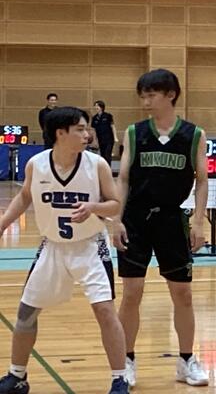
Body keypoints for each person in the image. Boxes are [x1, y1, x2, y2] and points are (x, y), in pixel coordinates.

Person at [0, 107, 129, 394]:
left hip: (90, 246)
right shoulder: (36, 164)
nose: (87, 135)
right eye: (80, 129)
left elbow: (115, 205)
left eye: (86, 129)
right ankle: (17, 375)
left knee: (105, 311)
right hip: (53, 246)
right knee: (26, 313)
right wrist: (3, 222)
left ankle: (120, 379)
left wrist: (93, 207)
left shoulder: (97, 165)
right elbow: (25, 196)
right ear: (61, 133)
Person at [111, 69, 209, 388]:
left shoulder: (194, 135)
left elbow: (202, 180)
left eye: (151, 95)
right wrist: (116, 219)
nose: (145, 102)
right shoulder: (134, 132)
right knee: (132, 293)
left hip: (172, 220)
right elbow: (123, 179)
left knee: (183, 294)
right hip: (135, 220)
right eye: (143, 96)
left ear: (171, 95)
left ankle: (186, 361)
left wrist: (198, 221)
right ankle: (126, 361)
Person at [91, 100, 119, 165]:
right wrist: (94, 140)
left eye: (97, 106)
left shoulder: (108, 116)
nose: (96, 107)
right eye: (95, 106)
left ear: (101, 107)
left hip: (109, 139)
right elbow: (94, 130)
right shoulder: (94, 118)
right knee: (103, 156)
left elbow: (113, 127)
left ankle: (108, 169)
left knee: (107, 155)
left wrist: (115, 137)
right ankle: (104, 169)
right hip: (100, 139)